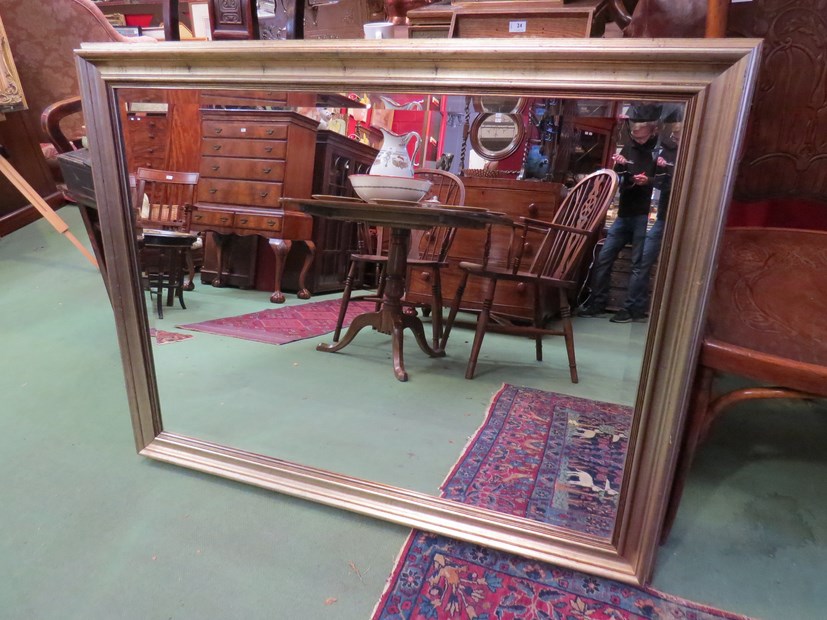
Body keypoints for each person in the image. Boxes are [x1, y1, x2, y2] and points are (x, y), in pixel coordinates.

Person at [578, 104, 661, 322]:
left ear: (653, 131)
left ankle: (632, 309)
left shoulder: (659, 152)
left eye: (642, 137)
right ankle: (597, 302)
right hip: (624, 213)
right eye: (634, 135)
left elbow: (666, 182)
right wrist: (621, 170)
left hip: (644, 215)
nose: (637, 139)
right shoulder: (628, 148)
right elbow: (619, 182)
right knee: (604, 257)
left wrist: (649, 181)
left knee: (638, 265)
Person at [623, 109, 683, 321]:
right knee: (643, 262)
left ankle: (674, 315)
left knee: (681, 267)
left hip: (685, 220)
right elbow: (662, 184)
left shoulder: (695, 154)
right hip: (664, 216)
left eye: (677, 134)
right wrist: (655, 177)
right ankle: (634, 309)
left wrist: (663, 175)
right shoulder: (666, 152)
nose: (674, 138)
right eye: (673, 134)